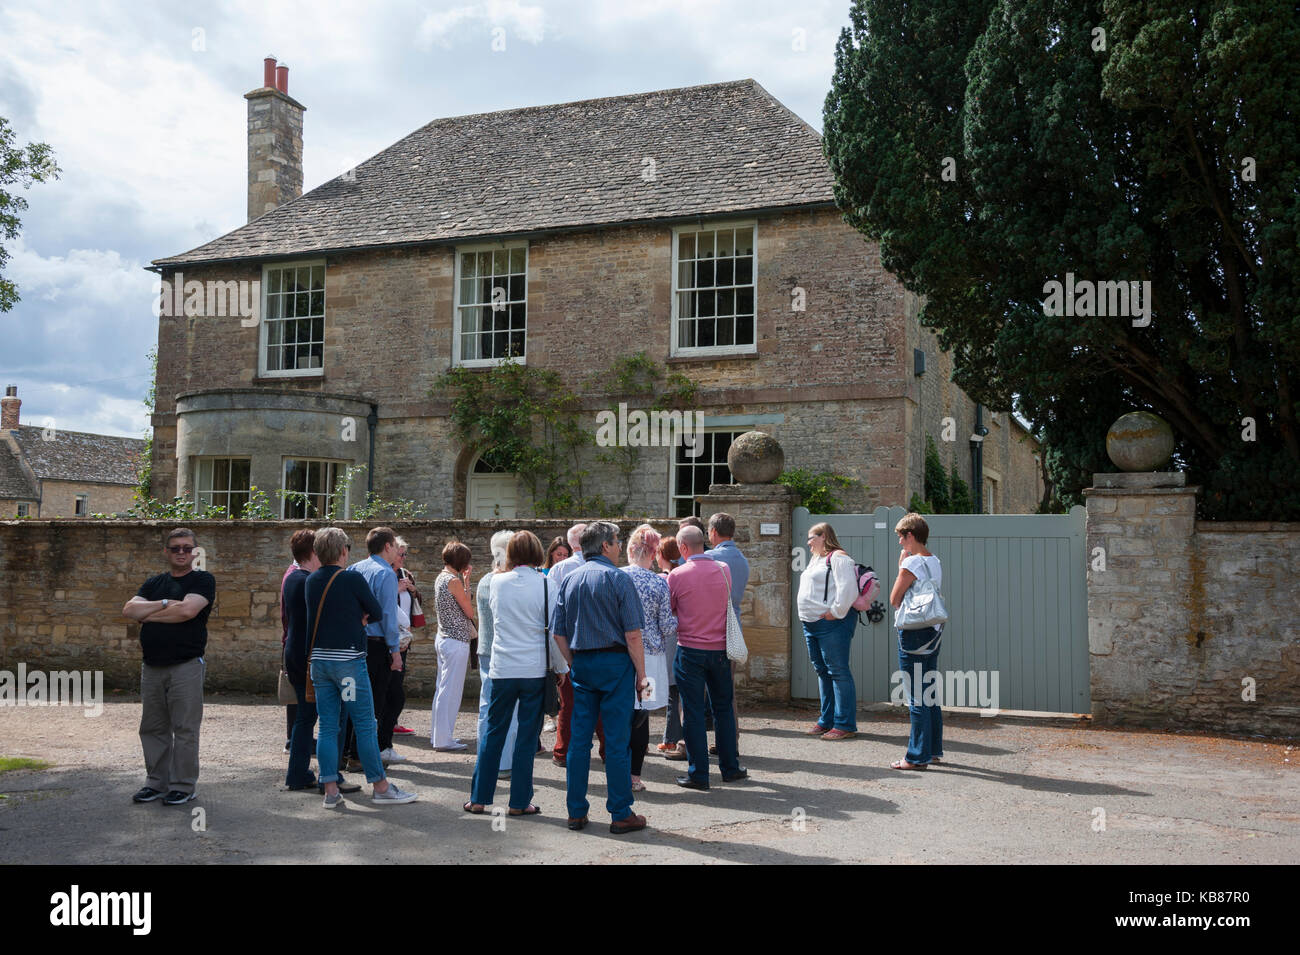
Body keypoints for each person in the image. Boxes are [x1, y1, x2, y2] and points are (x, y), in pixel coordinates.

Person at [305, 527, 417, 807]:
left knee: (329, 726)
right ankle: (380, 786)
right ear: (343, 551)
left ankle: (330, 790)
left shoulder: (311, 580)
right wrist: (360, 618)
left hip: (319, 661)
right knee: (366, 724)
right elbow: (378, 610)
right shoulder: (351, 578)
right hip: (348, 663)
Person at [550, 521, 649, 834]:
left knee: (579, 742)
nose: (620, 546)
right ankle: (621, 813)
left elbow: (558, 633)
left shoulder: (569, 579)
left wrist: (574, 662)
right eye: (617, 541)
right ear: (605, 545)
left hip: (583, 664)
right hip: (616, 663)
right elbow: (633, 634)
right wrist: (642, 676)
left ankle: (576, 812)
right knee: (617, 742)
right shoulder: (618, 579)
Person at [466, 531, 562, 816]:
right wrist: (561, 668)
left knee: (494, 733)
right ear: (536, 552)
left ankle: (479, 798)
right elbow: (552, 632)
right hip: (533, 668)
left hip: (502, 667)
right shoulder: (547, 584)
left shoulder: (496, 583)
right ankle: (519, 802)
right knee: (525, 738)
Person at [122, 528, 215, 806]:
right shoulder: (154, 584)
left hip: (185, 665)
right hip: (151, 666)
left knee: (185, 728)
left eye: (187, 548)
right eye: (175, 548)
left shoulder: (203, 580)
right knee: (152, 727)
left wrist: (149, 616)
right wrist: (164, 604)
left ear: (195, 552)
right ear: (167, 552)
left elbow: (187, 611)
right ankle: (155, 783)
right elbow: (129, 610)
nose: (181, 553)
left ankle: (183, 786)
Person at [283, 529, 362, 795]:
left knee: (305, 718)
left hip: (295, 653)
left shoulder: (293, 578)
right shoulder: (309, 581)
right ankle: (330, 777)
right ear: (314, 552)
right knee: (335, 717)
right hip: (315, 657)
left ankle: (297, 774)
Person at [668, 525, 746, 790]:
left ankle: (699, 773)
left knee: (693, 712)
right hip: (720, 650)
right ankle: (730, 768)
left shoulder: (677, 575)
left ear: (683, 548)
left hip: (690, 649)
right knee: (723, 708)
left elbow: (672, 609)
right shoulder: (723, 570)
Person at [344, 527, 405, 767]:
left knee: (352, 699)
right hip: (377, 645)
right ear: (387, 546)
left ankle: (346, 751)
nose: (397, 552)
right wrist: (395, 651)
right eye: (395, 547)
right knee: (373, 703)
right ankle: (360, 755)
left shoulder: (354, 568)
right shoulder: (386, 574)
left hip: (355, 641)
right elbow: (389, 615)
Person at [889, 513, 944, 770]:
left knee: (916, 695)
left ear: (910, 535)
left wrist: (902, 564)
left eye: (901, 537)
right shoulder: (934, 561)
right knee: (929, 691)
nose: (900, 542)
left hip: (913, 631)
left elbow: (894, 599)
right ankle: (932, 750)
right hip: (932, 629)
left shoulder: (912, 563)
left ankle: (915, 756)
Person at [796, 522, 860, 741]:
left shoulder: (839, 558)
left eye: (811, 537)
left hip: (831, 624)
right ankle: (827, 720)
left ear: (823, 536)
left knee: (838, 671)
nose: (808, 542)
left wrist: (835, 611)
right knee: (823, 671)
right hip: (811, 624)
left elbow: (848, 589)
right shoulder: (816, 559)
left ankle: (845, 724)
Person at [622, 524, 674, 791]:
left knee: (620, 714)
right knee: (641, 716)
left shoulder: (616, 576)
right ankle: (634, 776)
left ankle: (617, 773)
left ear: (631, 549)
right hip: (651, 660)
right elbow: (666, 626)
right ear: (654, 554)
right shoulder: (658, 582)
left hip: (621, 657)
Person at [550, 523, 604, 766]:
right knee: (602, 702)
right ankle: (607, 751)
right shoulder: (606, 569)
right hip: (600, 643)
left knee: (569, 703)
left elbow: (552, 616)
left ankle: (563, 752)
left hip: (568, 644)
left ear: (572, 545)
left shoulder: (559, 570)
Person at [704, 512, 748, 754]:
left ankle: (687, 743)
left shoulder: (709, 558)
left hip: (709, 631)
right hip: (733, 630)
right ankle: (730, 742)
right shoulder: (741, 559)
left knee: (697, 694)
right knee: (727, 693)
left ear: (713, 532)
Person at [476, 530, 520, 776]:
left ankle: (487, 758)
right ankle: (503, 762)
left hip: (486, 649)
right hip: (502, 651)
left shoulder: (485, 580)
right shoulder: (505, 582)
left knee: (487, 706)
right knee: (508, 710)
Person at [431, 541, 476, 751]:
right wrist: (466, 584)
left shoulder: (441, 577)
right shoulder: (453, 581)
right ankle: (443, 739)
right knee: (450, 691)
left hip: (443, 638)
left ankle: (439, 736)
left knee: (442, 688)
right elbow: (470, 612)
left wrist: (465, 582)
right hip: (456, 640)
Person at [385, 537, 422, 739]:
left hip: (404, 638)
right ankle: (387, 722)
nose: (403, 558)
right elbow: (382, 601)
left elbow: (418, 600)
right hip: (391, 636)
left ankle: (393, 721)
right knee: (392, 683)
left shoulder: (406, 574)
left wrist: (412, 589)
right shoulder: (385, 575)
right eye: (401, 554)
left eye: (405, 554)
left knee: (398, 680)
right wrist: (396, 589)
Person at [654, 535, 686, 760]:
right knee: (674, 692)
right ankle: (670, 737)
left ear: (661, 555)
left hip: (662, 641)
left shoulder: (661, 579)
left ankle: (669, 738)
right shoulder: (681, 576)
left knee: (651, 690)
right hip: (678, 638)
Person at [279, 551, 300, 754]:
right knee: (296, 696)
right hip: (295, 643)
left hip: (290, 641)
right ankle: (293, 739)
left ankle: (293, 738)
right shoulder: (297, 576)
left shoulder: (292, 573)